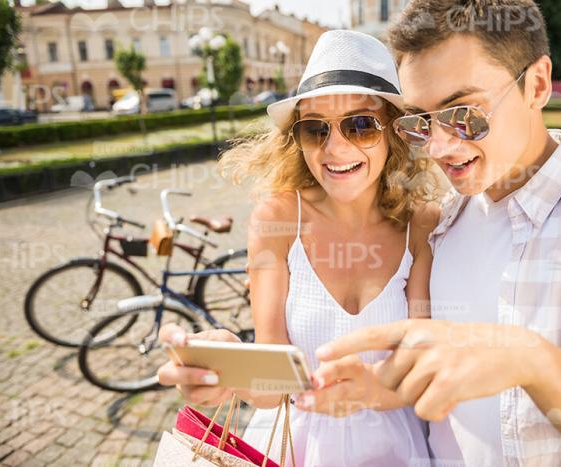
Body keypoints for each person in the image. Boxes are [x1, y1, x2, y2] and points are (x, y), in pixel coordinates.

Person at [297, 1, 561, 466]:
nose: (438, 145)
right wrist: (376, 390)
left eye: (464, 114)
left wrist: (531, 360)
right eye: (420, 122)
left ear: (537, 84)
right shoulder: (435, 228)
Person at [157, 30, 439, 466]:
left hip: (397, 448)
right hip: (294, 447)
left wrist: (374, 387)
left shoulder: (420, 223)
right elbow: (271, 393)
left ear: (395, 133)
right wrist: (227, 366)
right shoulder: (277, 220)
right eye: (315, 128)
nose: (335, 147)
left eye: (361, 125)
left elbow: (423, 367)